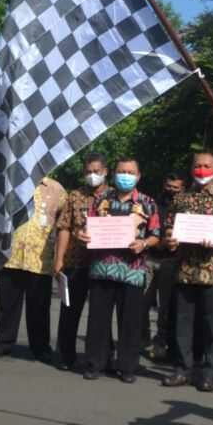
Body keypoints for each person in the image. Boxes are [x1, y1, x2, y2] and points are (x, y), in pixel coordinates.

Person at [161, 151, 213, 393]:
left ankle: (208, 372)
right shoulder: (181, 200)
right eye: (198, 166)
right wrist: (171, 241)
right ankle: (181, 369)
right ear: (191, 169)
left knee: (211, 325)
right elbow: (169, 230)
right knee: (182, 323)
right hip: (185, 269)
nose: (202, 170)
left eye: (207, 166)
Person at [76, 158, 160, 383]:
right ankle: (95, 363)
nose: (126, 175)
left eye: (130, 172)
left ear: (138, 176)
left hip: (132, 270)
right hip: (102, 268)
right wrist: (83, 235)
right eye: (122, 171)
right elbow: (88, 228)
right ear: (114, 175)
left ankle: (127, 367)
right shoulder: (101, 200)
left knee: (130, 322)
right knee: (98, 320)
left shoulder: (147, 202)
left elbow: (156, 235)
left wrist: (144, 244)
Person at [0, 177, 67, 360]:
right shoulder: (9, 183)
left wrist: (60, 256)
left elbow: (65, 222)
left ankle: (40, 347)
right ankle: (4, 342)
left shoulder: (56, 189)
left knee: (39, 306)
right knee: (7, 304)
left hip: (40, 259)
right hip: (11, 255)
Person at [53, 153, 110, 371]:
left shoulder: (114, 196)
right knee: (70, 310)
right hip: (76, 261)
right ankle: (65, 355)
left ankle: (101, 357)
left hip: (104, 263)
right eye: (88, 172)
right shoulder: (75, 196)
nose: (92, 175)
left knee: (100, 314)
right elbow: (64, 227)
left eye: (96, 171)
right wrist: (59, 259)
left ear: (105, 172)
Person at [144, 172, 186, 362]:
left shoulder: (186, 206)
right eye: (169, 187)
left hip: (172, 261)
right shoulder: (153, 203)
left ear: (183, 188)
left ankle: (161, 342)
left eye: (176, 188)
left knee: (166, 307)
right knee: (142, 301)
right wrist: (158, 243)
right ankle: (141, 340)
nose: (171, 191)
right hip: (151, 258)